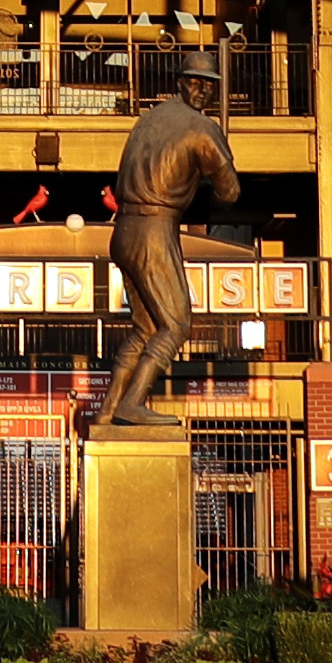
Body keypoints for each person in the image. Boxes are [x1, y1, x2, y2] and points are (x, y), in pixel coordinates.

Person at [92, 55, 240, 432]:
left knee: (145, 327)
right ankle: (132, 403)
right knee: (176, 326)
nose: (202, 89)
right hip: (154, 229)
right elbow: (230, 192)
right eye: (196, 81)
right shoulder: (202, 129)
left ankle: (108, 411)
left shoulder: (151, 118)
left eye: (208, 83)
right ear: (181, 81)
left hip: (123, 229)